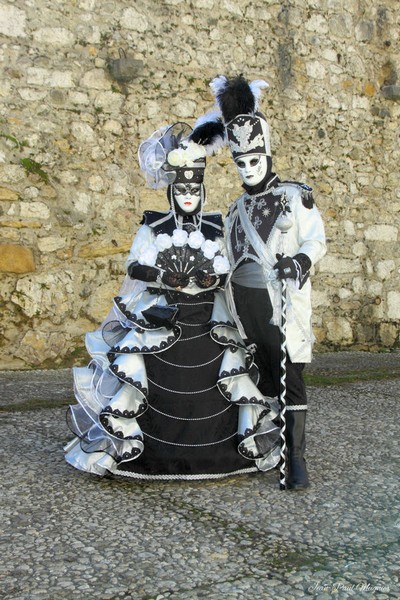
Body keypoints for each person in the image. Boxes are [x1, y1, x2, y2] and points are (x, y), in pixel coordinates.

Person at [64, 121, 281, 480]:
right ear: (171, 190)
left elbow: (231, 266)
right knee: (146, 377)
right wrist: (163, 276)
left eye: (194, 187)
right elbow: (135, 265)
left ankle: (220, 453)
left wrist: (215, 277)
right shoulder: (153, 226)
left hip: (209, 318)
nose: (188, 195)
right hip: (163, 314)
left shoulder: (216, 227)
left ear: (202, 188)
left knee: (225, 375)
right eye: (181, 188)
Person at [198, 74, 327, 490]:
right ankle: (265, 446)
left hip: (283, 300)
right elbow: (228, 255)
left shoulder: (294, 196)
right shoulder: (234, 209)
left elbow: (315, 238)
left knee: (291, 374)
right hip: (245, 306)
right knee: (260, 377)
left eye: (255, 159)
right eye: (241, 162)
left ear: (267, 154)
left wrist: (302, 259)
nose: (249, 168)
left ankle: (297, 459)